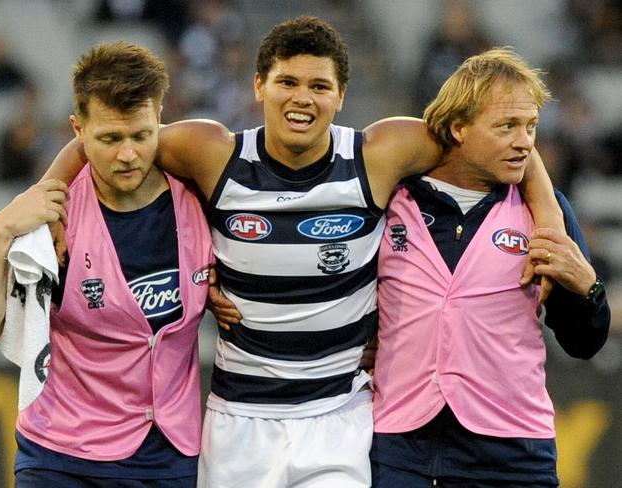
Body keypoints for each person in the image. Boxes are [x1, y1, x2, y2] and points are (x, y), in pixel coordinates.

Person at [43, 18, 563, 488]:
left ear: (341, 96)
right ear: (259, 85)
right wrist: (46, 196)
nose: (302, 98)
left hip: (338, 416)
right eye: (287, 82)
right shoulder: (213, 152)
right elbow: (113, 135)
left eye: (319, 86)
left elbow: (493, 141)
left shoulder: (379, 154)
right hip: (239, 421)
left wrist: (550, 219)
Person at [0, 42, 213, 487]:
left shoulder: (200, 201)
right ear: (77, 130)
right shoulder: (47, 218)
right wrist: (0, 233)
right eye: (109, 139)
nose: (127, 154)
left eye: (141, 136)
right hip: (63, 460)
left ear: (161, 120)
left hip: (169, 459)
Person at [370, 47, 611, 487]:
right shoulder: (394, 200)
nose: (525, 142)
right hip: (401, 447)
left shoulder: (547, 211)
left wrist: (588, 289)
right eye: (507, 127)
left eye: (531, 127)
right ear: (458, 127)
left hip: (512, 454)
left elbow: (583, 342)